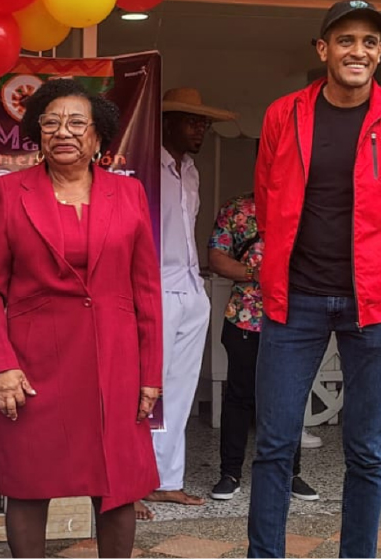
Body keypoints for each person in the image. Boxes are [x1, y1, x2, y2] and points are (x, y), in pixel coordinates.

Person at [250, 0, 381, 558]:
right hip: (295, 301)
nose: (358, 51)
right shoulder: (283, 115)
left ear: (380, 53)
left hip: (374, 307)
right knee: (275, 445)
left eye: (369, 42)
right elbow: (267, 203)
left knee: (366, 451)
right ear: (323, 49)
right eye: (346, 40)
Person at [0, 79, 162, 558]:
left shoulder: (130, 193)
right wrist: (1, 366)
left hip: (113, 362)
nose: (63, 132)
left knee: (116, 484)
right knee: (29, 482)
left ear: (98, 136)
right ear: (38, 133)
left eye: (77, 123)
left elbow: (146, 290)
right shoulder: (11, 192)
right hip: (32, 367)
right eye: (51, 123)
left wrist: (150, 374)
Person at [143, 87, 235, 518]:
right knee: (145, 387)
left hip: (190, 288)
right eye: (193, 121)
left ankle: (165, 481)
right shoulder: (146, 167)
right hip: (155, 287)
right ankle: (134, 480)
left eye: (205, 123)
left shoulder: (192, 171)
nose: (201, 130)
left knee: (180, 391)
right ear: (167, 122)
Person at [208, 192, 319, 503]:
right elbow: (216, 256)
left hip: (293, 317)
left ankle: (291, 473)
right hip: (245, 315)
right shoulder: (237, 208)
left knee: (289, 398)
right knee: (239, 396)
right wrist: (254, 273)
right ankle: (230, 473)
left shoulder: (305, 204)